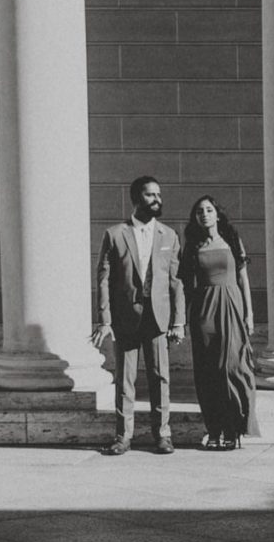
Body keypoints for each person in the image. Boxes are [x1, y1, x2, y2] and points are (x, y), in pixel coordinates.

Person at [92, 174, 184, 456]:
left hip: (158, 317)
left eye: (158, 194)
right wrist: (105, 319)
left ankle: (163, 435)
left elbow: (176, 281)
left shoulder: (169, 235)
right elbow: (104, 279)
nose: (157, 199)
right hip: (126, 317)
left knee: (161, 377)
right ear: (136, 198)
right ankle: (123, 436)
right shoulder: (115, 234)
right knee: (125, 379)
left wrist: (179, 321)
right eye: (150, 194)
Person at [180, 195, 261, 449]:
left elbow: (243, 278)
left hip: (232, 306)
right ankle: (215, 430)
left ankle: (234, 427)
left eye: (209, 210)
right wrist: (180, 319)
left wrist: (249, 314)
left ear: (217, 214)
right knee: (208, 371)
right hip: (204, 310)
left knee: (234, 368)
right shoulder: (192, 246)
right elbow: (185, 285)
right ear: (196, 218)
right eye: (199, 211)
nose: (204, 214)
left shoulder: (233, 240)